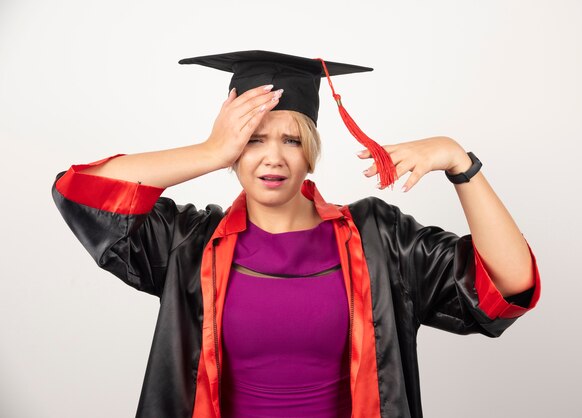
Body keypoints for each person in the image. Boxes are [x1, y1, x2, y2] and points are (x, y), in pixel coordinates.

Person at [52, 50, 541, 418]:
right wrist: (209, 151)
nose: (273, 158)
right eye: (252, 140)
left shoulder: (379, 240)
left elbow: (510, 283)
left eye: (290, 140)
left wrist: (460, 162)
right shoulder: (191, 244)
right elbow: (80, 192)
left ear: (310, 152)